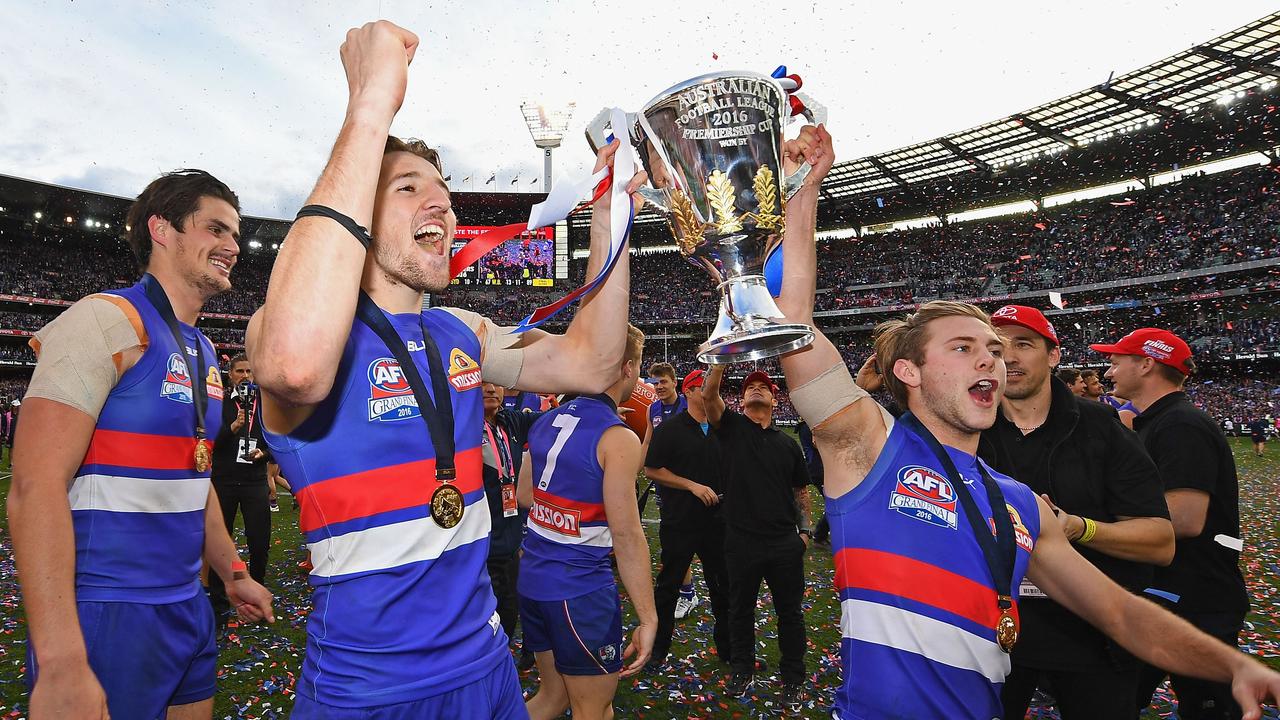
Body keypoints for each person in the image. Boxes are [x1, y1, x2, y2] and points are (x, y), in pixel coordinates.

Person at [771, 123, 1280, 720]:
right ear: (907, 372)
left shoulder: (1018, 504)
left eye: (993, 347)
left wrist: (1234, 664)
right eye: (964, 347)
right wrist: (803, 195)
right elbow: (790, 323)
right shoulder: (866, 449)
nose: (991, 356)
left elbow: (1121, 614)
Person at [247, 21, 644, 718]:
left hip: (488, 672)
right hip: (368, 693)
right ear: (356, 217)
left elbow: (592, 363)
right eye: (407, 189)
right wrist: (371, 103)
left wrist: (613, 216)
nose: (442, 203)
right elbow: (296, 368)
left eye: (442, 190)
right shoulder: (289, 332)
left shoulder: (459, 330)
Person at [9, 170, 274, 720]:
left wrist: (232, 572)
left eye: (236, 234)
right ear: (162, 229)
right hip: (108, 609)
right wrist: (60, 660)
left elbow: (192, 479)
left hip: (187, 602)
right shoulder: (103, 321)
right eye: (215, 230)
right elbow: (34, 488)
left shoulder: (203, 350)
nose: (232, 246)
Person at [979, 305, 1175, 720]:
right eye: (997, 347)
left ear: (1053, 356)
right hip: (987, 630)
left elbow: (1160, 541)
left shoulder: (1103, 427)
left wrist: (1076, 528)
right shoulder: (965, 428)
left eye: (1024, 344)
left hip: (1092, 632)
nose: (1008, 357)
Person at [1092, 328, 1251, 719]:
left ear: (1146, 364)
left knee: (1210, 708)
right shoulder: (1154, 422)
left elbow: (1184, 518)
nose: (1108, 371)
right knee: (1115, 697)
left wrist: (1095, 523)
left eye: (1116, 360)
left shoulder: (1181, 425)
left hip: (1194, 597)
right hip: (1165, 591)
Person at [517, 325, 656, 720]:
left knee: (551, 698)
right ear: (627, 368)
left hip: (534, 581)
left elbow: (526, 494)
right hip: (579, 590)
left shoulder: (545, 420)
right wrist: (648, 616)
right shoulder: (618, 436)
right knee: (594, 710)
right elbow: (627, 535)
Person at [703, 365, 812, 707]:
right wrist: (721, 359)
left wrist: (806, 532)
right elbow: (709, 396)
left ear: (775, 398)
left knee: (790, 613)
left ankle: (793, 677)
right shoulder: (731, 429)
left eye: (763, 386)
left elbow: (801, 492)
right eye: (750, 386)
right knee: (740, 610)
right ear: (742, 398)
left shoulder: (788, 445)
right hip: (740, 540)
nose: (756, 389)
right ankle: (742, 669)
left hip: (783, 542)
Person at [643, 368, 731, 670]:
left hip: (718, 522)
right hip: (679, 520)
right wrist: (691, 485)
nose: (710, 394)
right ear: (690, 392)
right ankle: (658, 649)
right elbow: (652, 469)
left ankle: (728, 649)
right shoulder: (671, 428)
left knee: (723, 586)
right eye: (703, 388)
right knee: (668, 587)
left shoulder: (724, 428)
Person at [207, 354, 275, 631]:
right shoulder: (219, 403)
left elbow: (276, 439)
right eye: (240, 371)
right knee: (220, 545)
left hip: (254, 480)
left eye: (249, 370)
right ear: (230, 374)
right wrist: (232, 428)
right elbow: (209, 443)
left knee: (259, 543)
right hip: (223, 481)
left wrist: (265, 452)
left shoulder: (265, 404)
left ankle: (256, 598)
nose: (245, 375)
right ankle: (219, 606)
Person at [480, 381, 541, 665]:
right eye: (482, 383)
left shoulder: (512, 421)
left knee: (513, 601)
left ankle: (522, 653)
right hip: (479, 542)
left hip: (510, 535)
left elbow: (552, 420)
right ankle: (493, 662)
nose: (491, 389)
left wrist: (600, 412)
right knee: (489, 611)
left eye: (497, 384)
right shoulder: (459, 426)